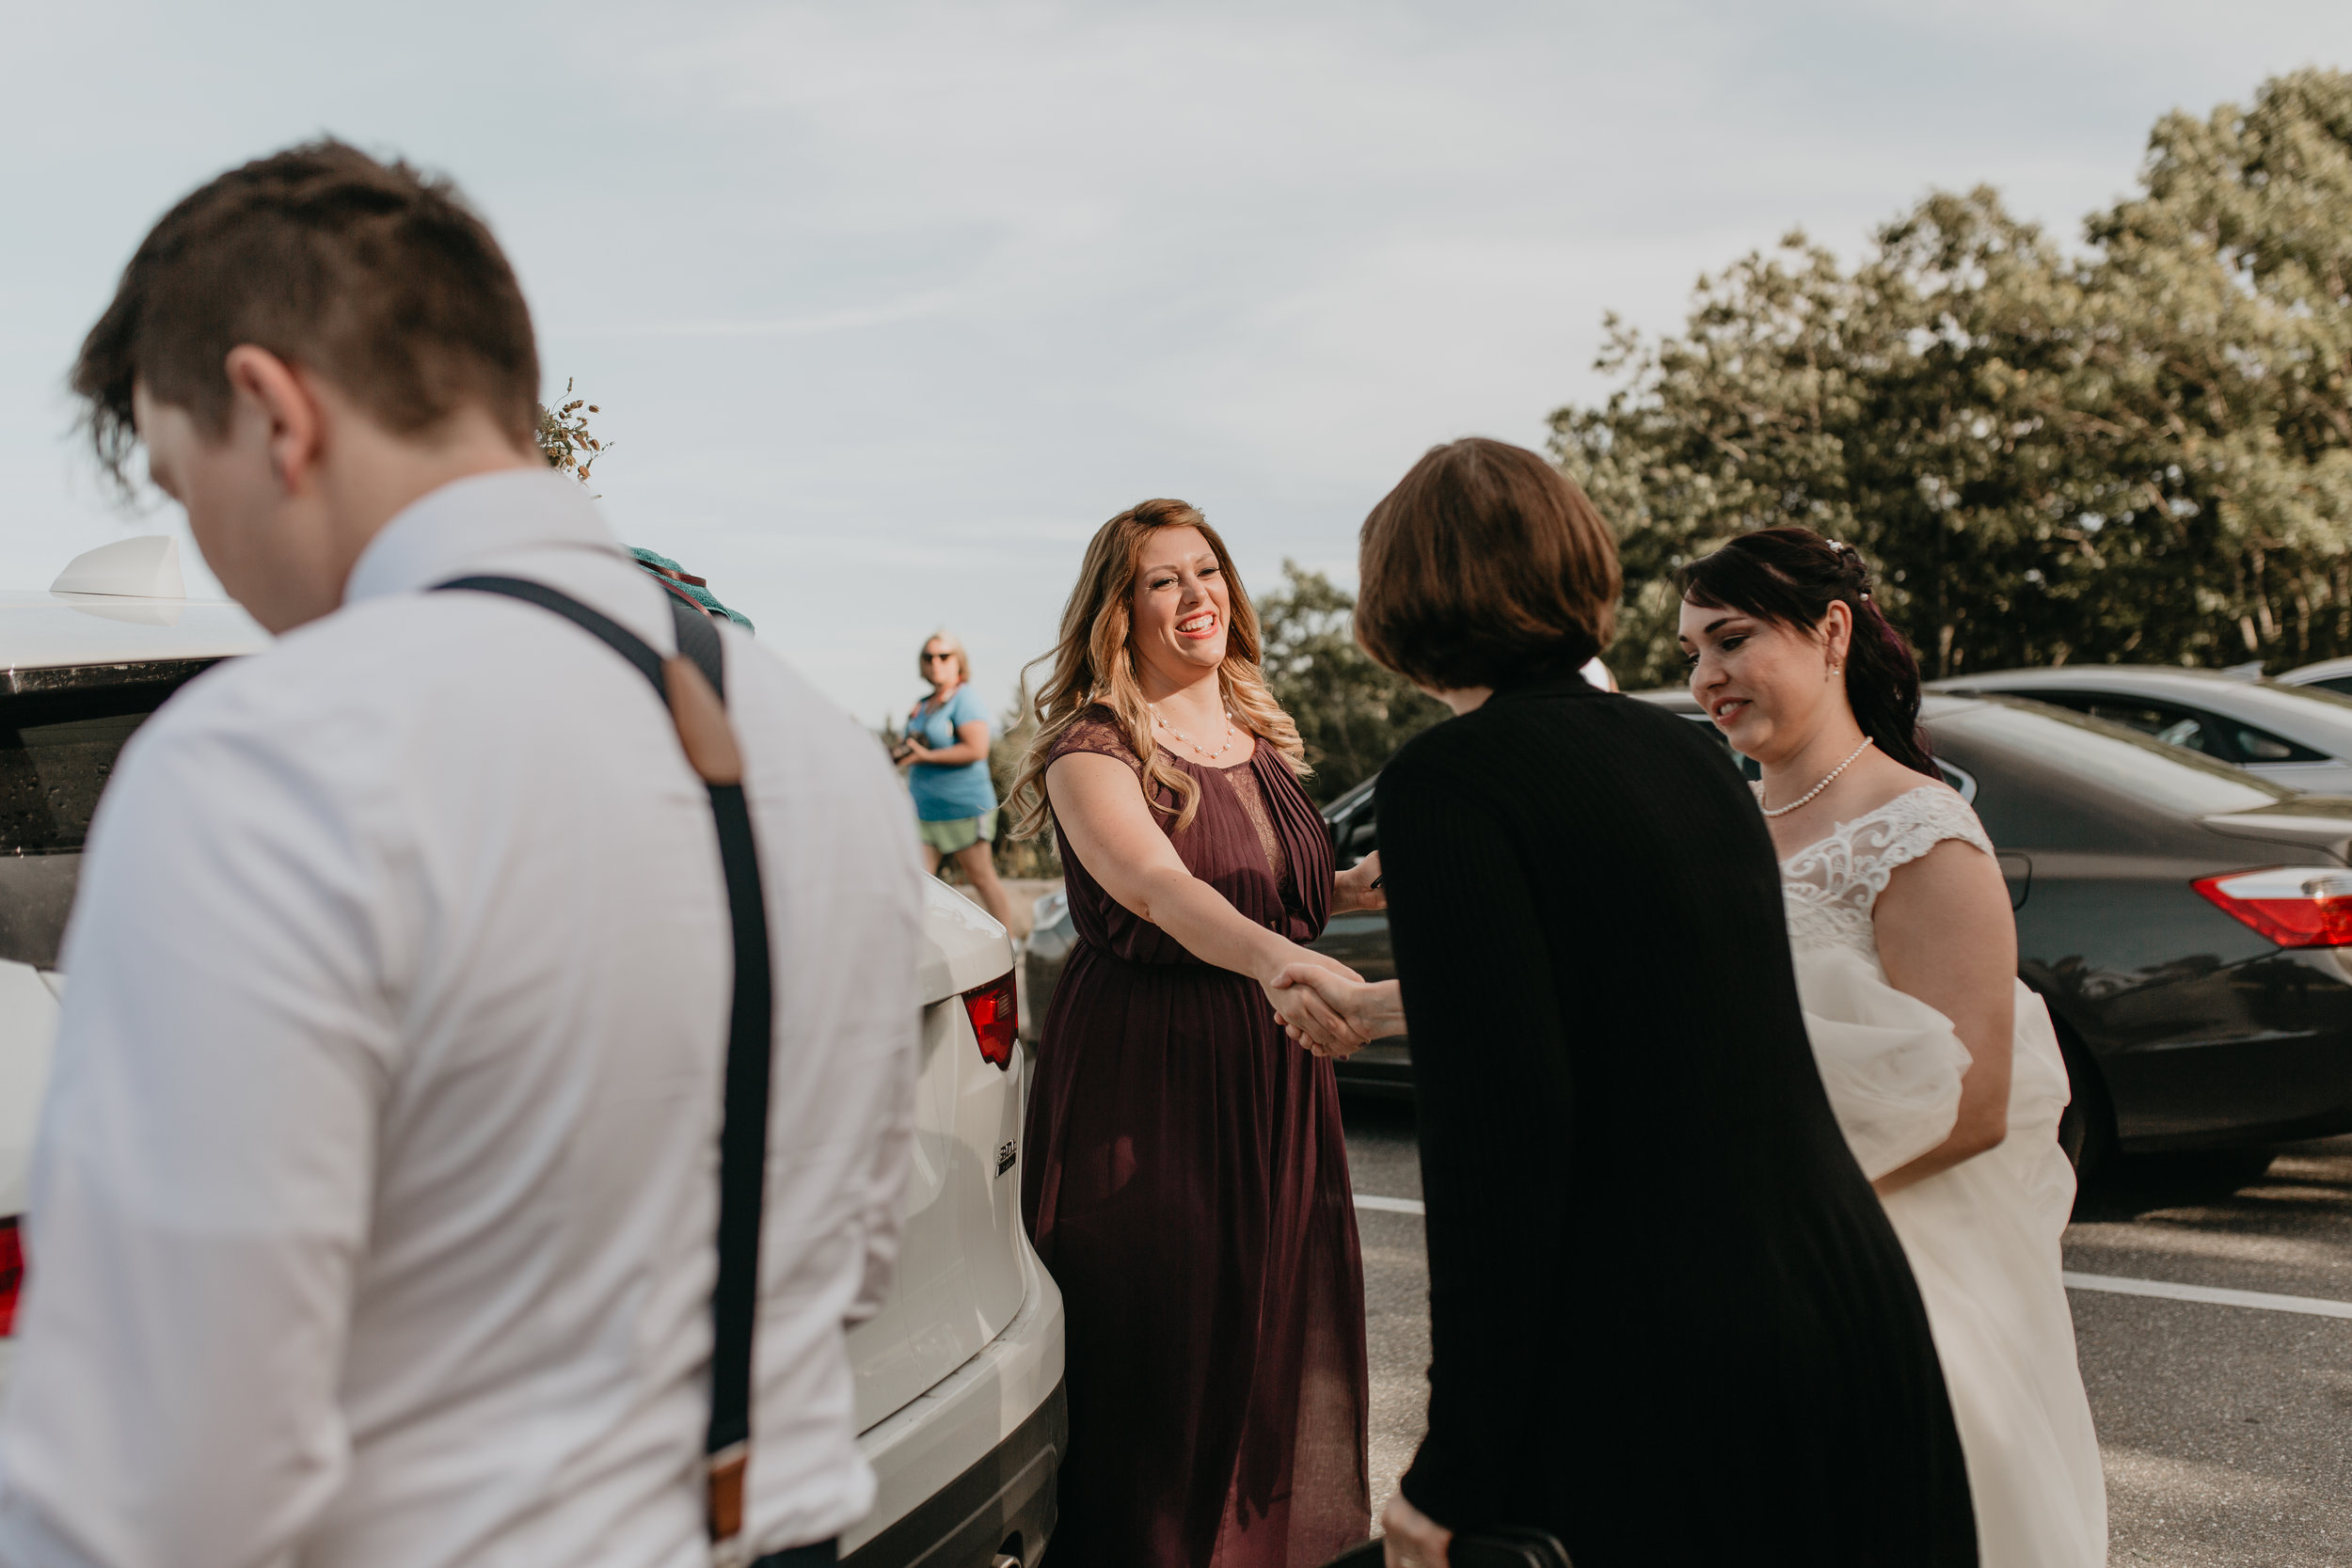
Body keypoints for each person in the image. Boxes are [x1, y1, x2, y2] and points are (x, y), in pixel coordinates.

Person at [0, 141, 921, 1568]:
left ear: (271, 410)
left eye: (186, 487)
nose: (216, 554)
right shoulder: (816, 743)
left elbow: (161, 1484)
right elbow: (849, 1250)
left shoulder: (266, 757)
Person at [1277, 438, 1976, 1568]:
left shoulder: (1449, 783)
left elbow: (1498, 1143)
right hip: (1846, 1302)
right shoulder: (1689, 754)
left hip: (1668, 1354)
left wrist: (1453, 1467)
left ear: (1394, 599)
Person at [1677, 527, 2106, 1567]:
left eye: (1730, 641)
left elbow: (1973, 1103)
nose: (1706, 678)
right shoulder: (1721, 821)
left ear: (1829, 632)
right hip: (1742, 1258)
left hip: (1887, 1264)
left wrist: (1780, 1215)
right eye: (1690, 653)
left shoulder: (1921, 831)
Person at [1009, 498, 1382, 1567]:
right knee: (1164, 1341)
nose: (1194, 595)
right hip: (1150, 1068)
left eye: (1206, 570)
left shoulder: (1254, 735)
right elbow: (1160, 887)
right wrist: (1283, 960)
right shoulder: (1090, 745)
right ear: (1117, 612)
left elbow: (1261, 884)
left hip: (1274, 1063)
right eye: (1162, 579)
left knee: (1264, 1331)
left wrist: (1350, 890)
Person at [899, 630, 1013, 927]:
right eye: (929, 657)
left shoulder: (966, 699)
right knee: (920, 883)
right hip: (924, 811)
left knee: (982, 878)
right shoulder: (922, 704)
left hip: (963, 809)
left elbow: (977, 749)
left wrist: (926, 758)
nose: (936, 662)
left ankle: (1010, 946)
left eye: (944, 656)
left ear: (958, 661)